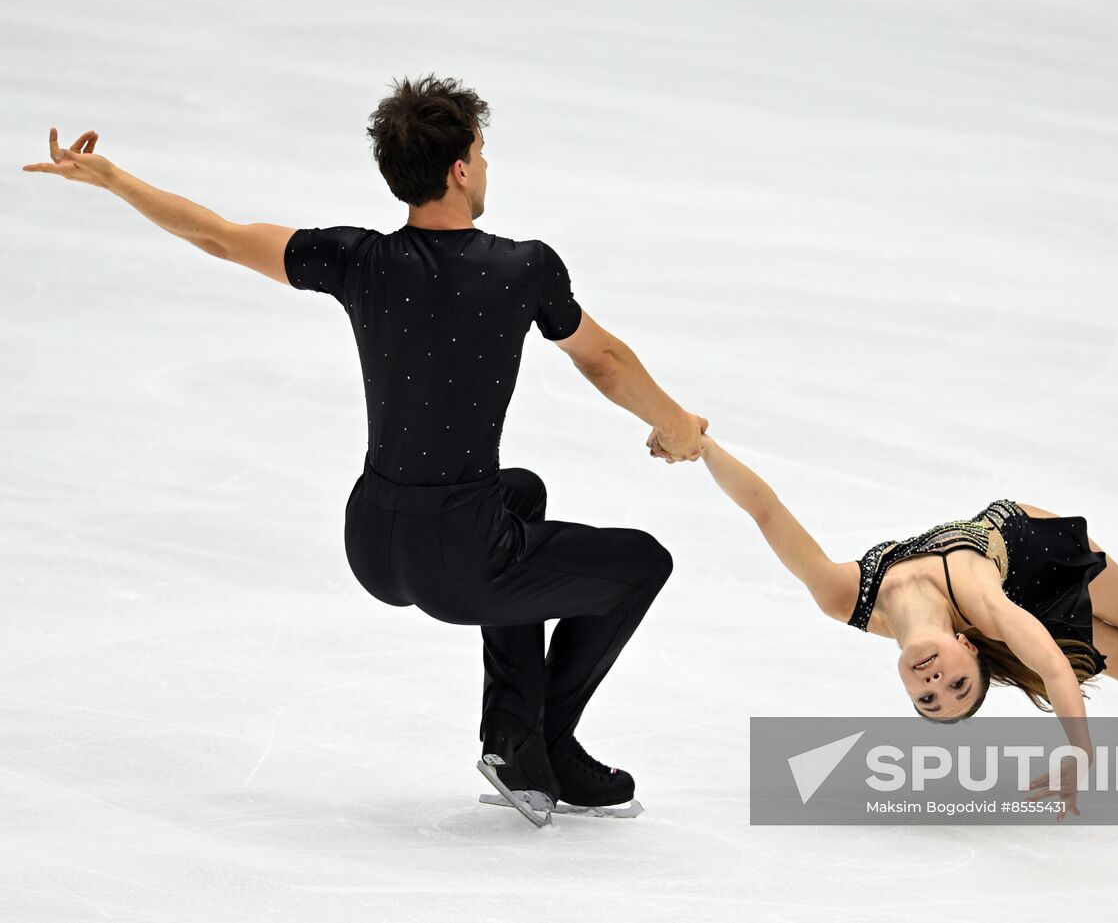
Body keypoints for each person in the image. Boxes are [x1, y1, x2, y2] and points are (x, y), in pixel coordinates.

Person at [23, 74, 707, 814]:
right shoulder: (522, 268)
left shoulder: (359, 260)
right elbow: (601, 358)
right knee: (643, 562)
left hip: (374, 541)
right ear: (458, 170)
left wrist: (113, 177)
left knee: (522, 492)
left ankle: (514, 740)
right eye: (481, 152)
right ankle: (551, 743)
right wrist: (674, 426)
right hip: (459, 559)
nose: (486, 166)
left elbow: (218, 235)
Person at [664, 431, 1118, 815]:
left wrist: (701, 444)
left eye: (926, 697)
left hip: (1020, 545)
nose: (934, 684)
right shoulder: (982, 604)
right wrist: (1080, 751)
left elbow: (767, 512)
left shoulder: (843, 596)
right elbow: (1052, 664)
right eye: (955, 689)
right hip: (1016, 561)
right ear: (968, 646)